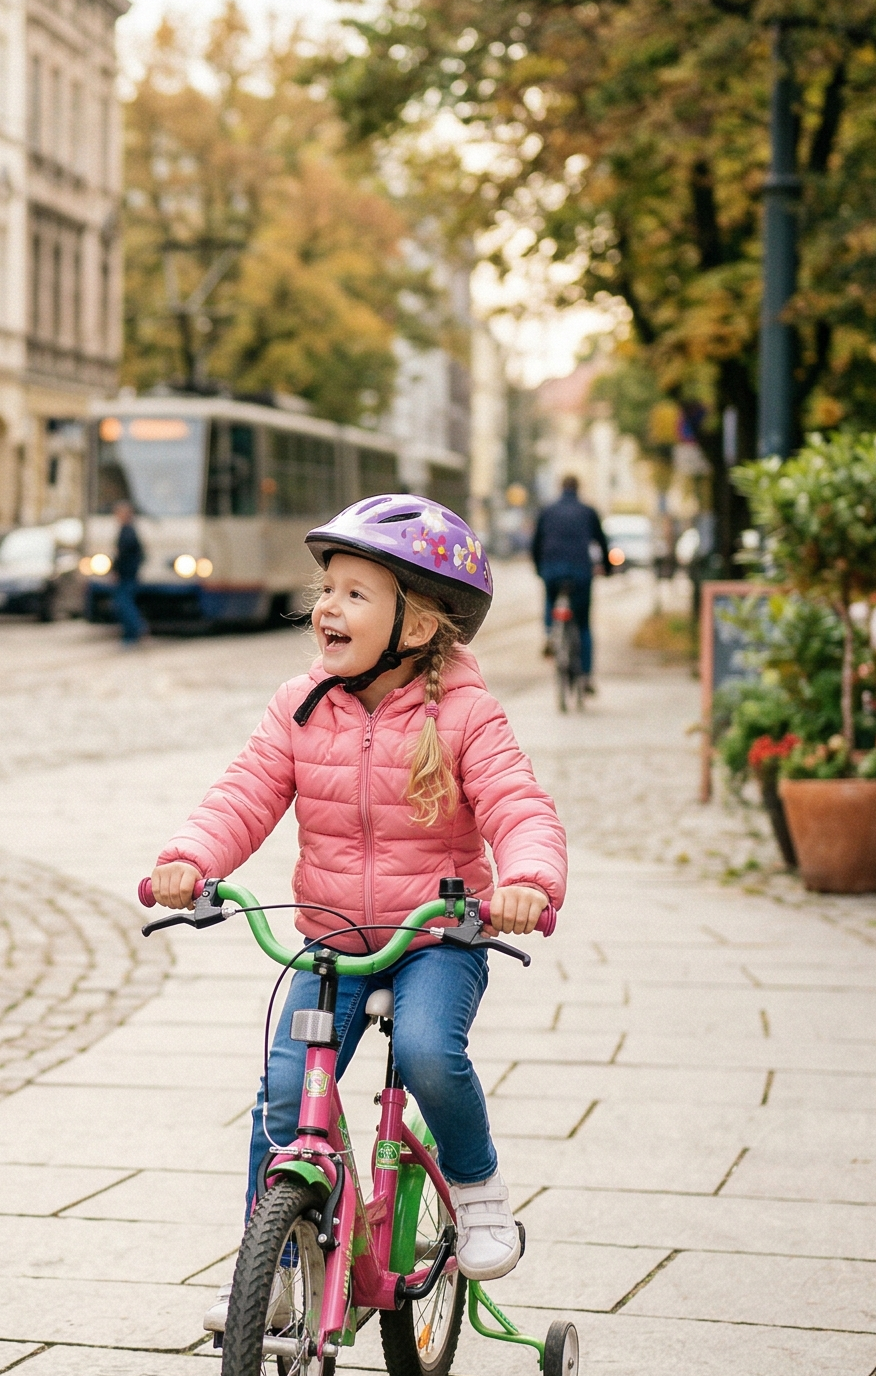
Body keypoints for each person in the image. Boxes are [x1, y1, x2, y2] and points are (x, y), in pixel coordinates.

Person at [143, 496, 567, 1330]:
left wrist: (526, 881)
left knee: (426, 1050)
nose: (326, 607)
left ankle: (478, 1192)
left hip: (438, 936)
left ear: (415, 628)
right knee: (279, 1097)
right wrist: (191, 860)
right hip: (330, 940)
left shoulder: (465, 715)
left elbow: (520, 806)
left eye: (355, 594)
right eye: (325, 589)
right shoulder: (301, 705)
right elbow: (246, 792)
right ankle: (269, 1273)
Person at [531, 475, 607, 693]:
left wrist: (539, 568)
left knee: (551, 598)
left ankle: (550, 633)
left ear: (560, 487)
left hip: (552, 570)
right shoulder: (588, 511)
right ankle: (585, 677)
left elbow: (536, 543)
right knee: (583, 623)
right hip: (581, 572)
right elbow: (601, 541)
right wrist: (608, 568)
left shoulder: (547, 511)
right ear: (578, 488)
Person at [111, 499, 146, 646]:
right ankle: (133, 632)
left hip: (126, 575)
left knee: (123, 604)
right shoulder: (129, 530)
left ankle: (135, 631)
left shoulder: (127, 531)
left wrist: (116, 570)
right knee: (124, 603)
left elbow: (123, 554)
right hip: (129, 574)